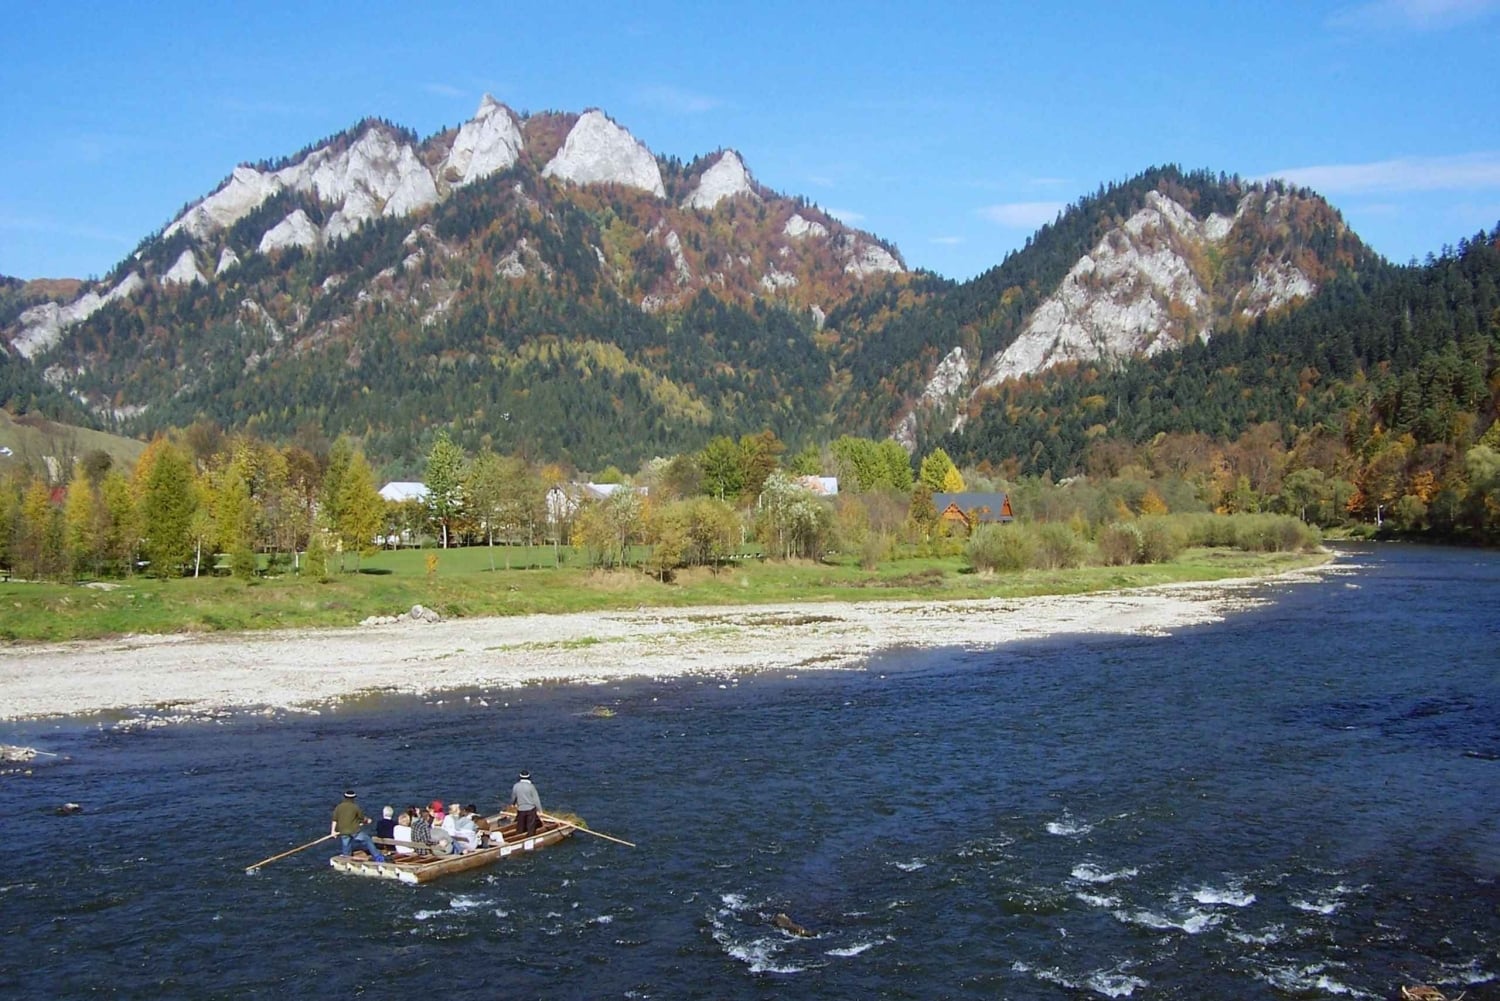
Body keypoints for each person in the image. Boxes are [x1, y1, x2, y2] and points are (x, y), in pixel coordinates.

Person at [331, 790, 387, 862]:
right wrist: (368, 821)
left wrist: (333, 831)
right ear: (353, 798)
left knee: (346, 845)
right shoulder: (355, 807)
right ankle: (377, 856)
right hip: (354, 831)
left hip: (343, 831)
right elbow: (362, 818)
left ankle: (346, 859)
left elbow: (334, 819)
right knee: (367, 840)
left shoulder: (338, 807)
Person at [511, 769, 543, 837]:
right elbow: (536, 799)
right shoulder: (531, 786)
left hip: (521, 809)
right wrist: (540, 810)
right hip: (530, 809)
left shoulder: (516, 786)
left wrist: (513, 804)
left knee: (520, 826)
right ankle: (530, 838)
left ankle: (519, 838)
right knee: (531, 827)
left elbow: (513, 797)